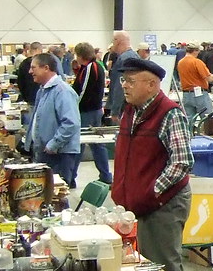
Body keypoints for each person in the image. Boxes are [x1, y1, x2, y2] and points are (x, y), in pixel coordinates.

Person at [113, 57, 193, 271]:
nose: (125, 86)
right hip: (135, 203)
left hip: (164, 203)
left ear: (152, 84)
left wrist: (150, 191)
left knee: (163, 266)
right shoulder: (130, 111)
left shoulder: (169, 113)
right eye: (124, 80)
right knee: (135, 265)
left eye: (131, 81)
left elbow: (182, 161)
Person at [24, 53, 82, 188]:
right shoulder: (43, 91)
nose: (30, 71)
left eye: (33, 68)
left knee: (57, 196)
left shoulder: (62, 91)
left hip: (59, 155)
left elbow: (71, 123)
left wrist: (54, 144)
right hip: (44, 152)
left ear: (46, 68)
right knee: (45, 195)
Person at [73, 42, 113, 184]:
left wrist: (74, 106)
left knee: (79, 143)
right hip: (94, 110)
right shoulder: (94, 66)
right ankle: (105, 175)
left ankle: (71, 177)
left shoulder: (91, 67)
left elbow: (84, 90)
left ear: (80, 55)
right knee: (96, 144)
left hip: (87, 111)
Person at [178, 43, 213, 121]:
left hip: (186, 95)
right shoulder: (197, 62)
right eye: (199, 51)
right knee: (207, 119)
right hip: (199, 94)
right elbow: (209, 78)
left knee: (188, 121)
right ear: (195, 51)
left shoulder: (180, 63)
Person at [107, 30, 139, 121]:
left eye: (113, 41)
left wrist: (115, 111)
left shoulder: (124, 59)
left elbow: (121, 86)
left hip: (124, 108)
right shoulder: (135, 56)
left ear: (117, 41)